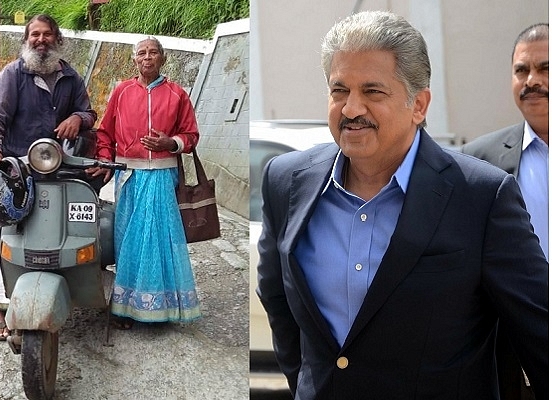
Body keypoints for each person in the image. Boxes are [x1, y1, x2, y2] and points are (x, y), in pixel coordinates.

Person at [255, 11, 548, 400]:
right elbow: (277, 301)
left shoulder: (481, 196)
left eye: (372, 92)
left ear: (419, 105)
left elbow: (540, 336)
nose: (351, 108)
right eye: (339, 90)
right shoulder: (285, 181)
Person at [0, 14, 97, 340]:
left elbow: (90, 113)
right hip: (18, 166)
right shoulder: (13, 74)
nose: (41, 40)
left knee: (74, 222)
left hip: (61, 166)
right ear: (26, 39)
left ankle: (69, 282)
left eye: (47, 34)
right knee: (3, 231)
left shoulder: (70, 76)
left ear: (57, 39)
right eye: (35, 34)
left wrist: (77, 117)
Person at [87, 37, 201, 328]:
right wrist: (105, 160)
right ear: (134, 60)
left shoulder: (177, 94)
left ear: (163, 58)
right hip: (130, 176)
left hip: (163, 176)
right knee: (129, 240)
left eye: (153, 53)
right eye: (141, 53)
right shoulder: (122, 92)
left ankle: (162, 308)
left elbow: (191, 136)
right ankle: (126, 309)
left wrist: (169, 142)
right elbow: (105, 133)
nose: (147, 57)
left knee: (159, 241)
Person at [461, 23, 548, 400]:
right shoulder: (480, 161)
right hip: (509, 350)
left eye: (545, 68)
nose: (532, 81)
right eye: (521, 70)